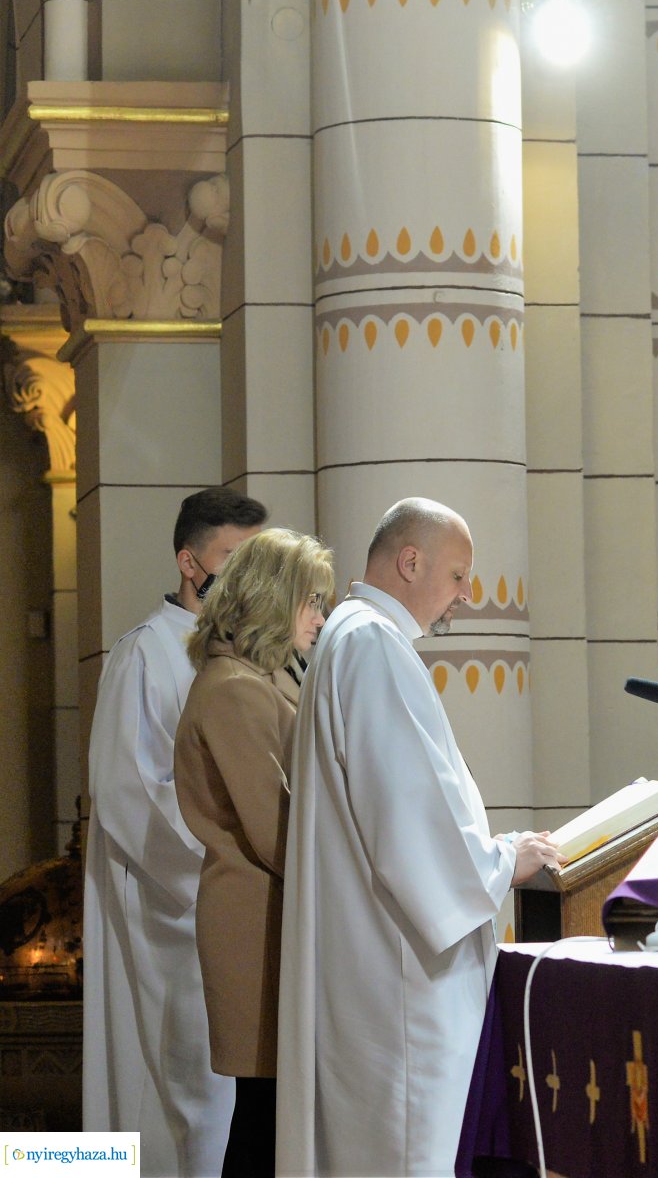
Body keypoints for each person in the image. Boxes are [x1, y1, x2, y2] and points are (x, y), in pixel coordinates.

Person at [276, 498, 559, 1176]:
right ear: (411, 561)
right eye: (459, 575)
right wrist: (504, 861)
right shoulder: (371, 644)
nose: (466, 595)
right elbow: (410, 823)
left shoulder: (351, 637)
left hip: (371, 963)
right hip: (400, 975)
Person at [81, 487, 266, 1175]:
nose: (247, 578)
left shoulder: (253, 657)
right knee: (185, 1091)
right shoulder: (144, 654)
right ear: (191, 563)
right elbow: (130, 792)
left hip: (236, 904)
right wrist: (221, 865)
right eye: (232, 559)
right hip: (176, 908)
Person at [174, 529, 334, 1176]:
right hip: (256, 924)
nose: (321, 618)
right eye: (311, 602)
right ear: (272, 600)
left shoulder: (255, 677)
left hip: (269, 914)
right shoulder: (235, 688)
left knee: (269, 1112)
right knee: (263, 1114)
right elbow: (276, 830)